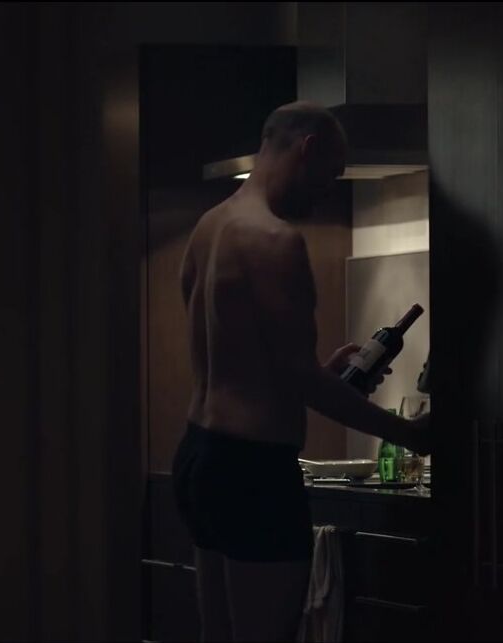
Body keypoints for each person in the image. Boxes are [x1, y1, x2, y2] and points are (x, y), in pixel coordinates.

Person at [173, 101, 432, 642]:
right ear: (307, 149)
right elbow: (304, 384)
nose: (326, 192)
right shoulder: (275, 241)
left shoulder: (208, 228)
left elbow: (249, 362)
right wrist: (411, 434)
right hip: (254, 470)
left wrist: (321, 373)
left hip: (200, 458)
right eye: (330, 175)